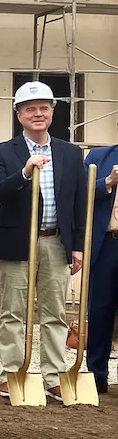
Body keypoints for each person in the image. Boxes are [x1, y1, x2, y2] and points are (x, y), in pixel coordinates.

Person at [0, 80, 86, 401]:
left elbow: (79, 202)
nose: (38, 114)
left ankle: (53, 375)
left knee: (54, 312)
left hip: (56, 242)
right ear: (19, 115)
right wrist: (25, 173)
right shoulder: (3, 151)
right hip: (17, 242)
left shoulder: (71, 153)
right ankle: (12, 373)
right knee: (13, 312)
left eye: (44, 108)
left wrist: (78, 246)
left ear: (53, 113)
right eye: (30, 109)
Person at [84, 133, 118, 395]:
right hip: (106, 244)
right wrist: (107, 181)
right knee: (99, 310)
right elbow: (79, 193)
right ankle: (96, 375)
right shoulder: (98, 156)